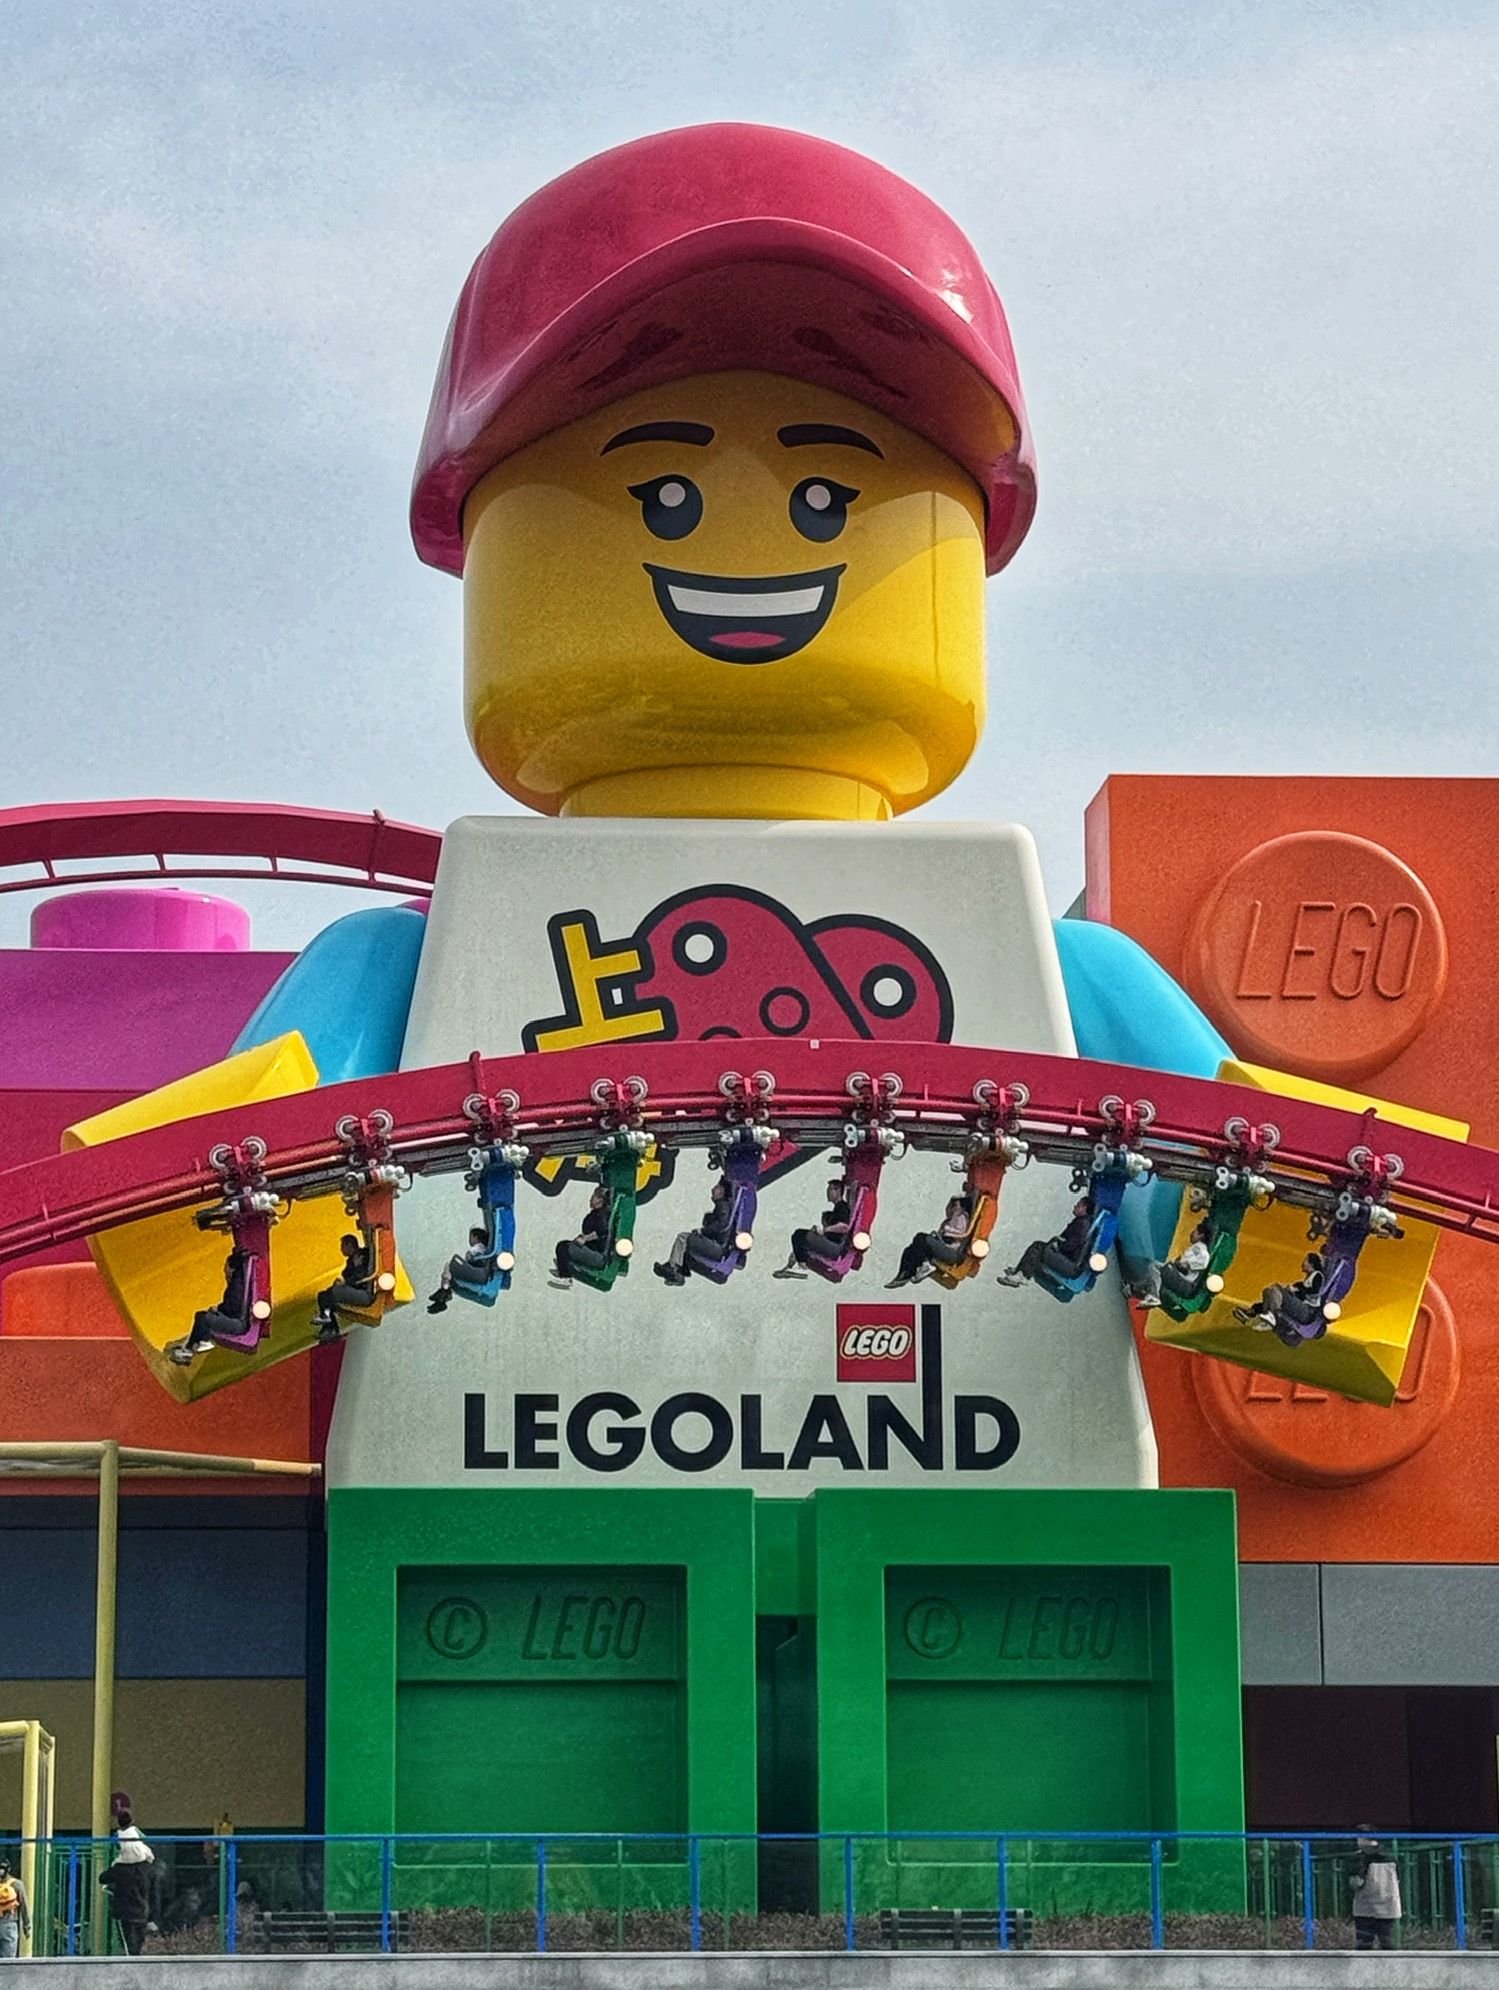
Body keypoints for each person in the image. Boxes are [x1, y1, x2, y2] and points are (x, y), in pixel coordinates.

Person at [167, 1245, 250, 1364]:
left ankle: (194, 1347)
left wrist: (219, 1310)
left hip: (238, 1323)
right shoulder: (239, 1281)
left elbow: (234, 1306)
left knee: (203, 1318)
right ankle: (192, 1345)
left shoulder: (237, 1284)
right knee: (202, 1317)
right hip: (237, 1319)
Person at [1234, 1252, 1327, 1346]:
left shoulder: (1317, 1275)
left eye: (1305, 1260)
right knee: (1271, 1292)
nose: (1302, 1263)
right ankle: (1257, 1312)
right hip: (1301, 1308)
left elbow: (1314, 1291)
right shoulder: (1305, 1281)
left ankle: (1272, 1317)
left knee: (1275, 1289)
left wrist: (1297, 1290)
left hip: (1306, 1310)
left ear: (1311, 1264)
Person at [997, 1198, 1093, 1288]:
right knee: (1041, 1247)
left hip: (1070, 1265)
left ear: (1084, 1208)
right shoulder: (1082, 1222)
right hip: (1069, 1263)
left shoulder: (1083, 1224)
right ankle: (1021, 1270)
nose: (1075, 1206)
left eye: (1079, 1205)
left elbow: (1072, 1244)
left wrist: (1059, 1246)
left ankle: (1022, 1275)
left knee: (1039, 1248)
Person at [655, 1178, 735, 1284]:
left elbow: (722, 1224)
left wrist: (702, 1231)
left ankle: (673, 1267)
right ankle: (676, 1270)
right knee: (684, 1247)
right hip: (717, 1246)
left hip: (718, 1248)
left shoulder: (723, 1205)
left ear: (722, 1190)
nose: (713, 1189)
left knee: (684, 1237)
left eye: (717, 1187)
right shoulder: (722, 1205)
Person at [99, 1809, 155, 1956]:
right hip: (142, 1910)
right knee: (139, 1940)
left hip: (124, 1910)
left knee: (128, 1941)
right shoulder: (146, 1868)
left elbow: (103, 1878)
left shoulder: (119, 1868)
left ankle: (130, 1957)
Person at [887, 1194, 973, 1288]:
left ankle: (918, 1268)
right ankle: (904, 1274)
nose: (951, 1208)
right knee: (909, 1250)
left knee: (921, 1238)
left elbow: (960, 1233)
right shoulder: (951, 1218)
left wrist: (945, 1229)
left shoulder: (960, 1216)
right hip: (946, 1245)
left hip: (952, 1250)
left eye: (955, 1205)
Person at [311, 1231, 377, 1341]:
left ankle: (329, 1323)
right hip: (354, 1289)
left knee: (335, 1292)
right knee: (323, 1295)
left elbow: (359, 1277)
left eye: (343, 1246)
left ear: (350, 1245)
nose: (341, 1249)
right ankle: (330, 1327)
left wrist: (354, 1270)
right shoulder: (351, 1260)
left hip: (363, 1292)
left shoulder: (362, 1256)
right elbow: (346, 1274)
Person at [773, 1189, 853, 1279]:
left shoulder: (841, 1206)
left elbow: (844, 1227)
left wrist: (824, 1230)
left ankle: (801, 1266)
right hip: (832, 1244)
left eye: (831, 1189)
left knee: (799, 1235)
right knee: (803, 1240)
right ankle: (793, 1265)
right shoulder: (837, 1208)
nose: (828, 1192)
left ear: (838, 1190)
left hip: (836, 1248)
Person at [1134, 1220, 1213, 1309]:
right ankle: (1134, 1289)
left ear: (1201, 1235)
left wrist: (1187, 1264)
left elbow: (1204, 1261)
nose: (1193, 1232)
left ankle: (1153, 1297)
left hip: (1184, 1283)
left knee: (1155, 1266)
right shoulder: (1196, 1247)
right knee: (1155, 1271)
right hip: (1181, 1278)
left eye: (1196, 1231)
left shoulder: (1201, 1249)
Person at [550, 1186, 611, 1290]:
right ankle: (563, 1269)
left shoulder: (602, 1215)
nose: (590, 1199)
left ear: (600, 1200)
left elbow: (600, 1232)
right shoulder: (595, 1214)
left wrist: (585, 1239)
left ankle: (566, 1277)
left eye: (593, 1197)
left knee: (564, 1247)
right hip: (592, 1250)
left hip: (598, 1256)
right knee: (566, 1246)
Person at [1349, 1831, 1401, 1950]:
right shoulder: (1391, 1856)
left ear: (1362, 1839)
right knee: (1389, 1944)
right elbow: (1398, 1879)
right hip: (1389, 1906)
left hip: (1365, 1907)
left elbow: (1357, 1882)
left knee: (1364, 1944)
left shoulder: (1361, 1857)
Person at [427, 1227, 497, 1311]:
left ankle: (444, 1291)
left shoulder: (478, 1247)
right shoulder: (485, 1249)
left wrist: (465, 1262)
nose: (469, 1240)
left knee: (450, 1264)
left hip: (479, 1274)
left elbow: (470, 1256)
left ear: (475, 1237)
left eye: (470, 1237)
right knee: (451, 1274)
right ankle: (443, 1296)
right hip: (481, 1273)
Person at [0, 1855, 32, 1960]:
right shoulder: (17, 1884)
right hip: (9, 1924)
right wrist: (27, 1926)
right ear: (9, 1869)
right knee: (8, 1960)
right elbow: (24, 1905)